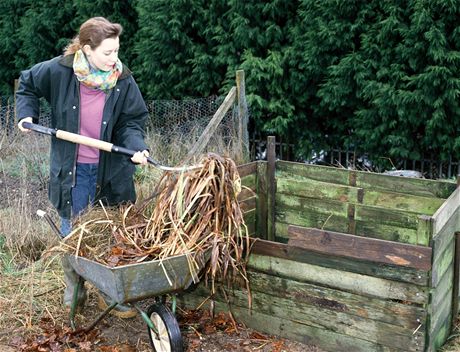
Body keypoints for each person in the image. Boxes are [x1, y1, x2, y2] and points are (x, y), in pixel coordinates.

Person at [16, 17, 149, 318]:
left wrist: (136, 146)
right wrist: (26, 116)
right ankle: (75, 286)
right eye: (107, 52)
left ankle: (109, 291)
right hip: (73, 174)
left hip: (111, 173)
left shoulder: (122, 79)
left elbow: (132, 120)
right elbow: (27, 84)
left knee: (110, 234)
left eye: (117, 51)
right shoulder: (59, 71)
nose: (114, 59)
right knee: (73, 236)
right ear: (88, 50)